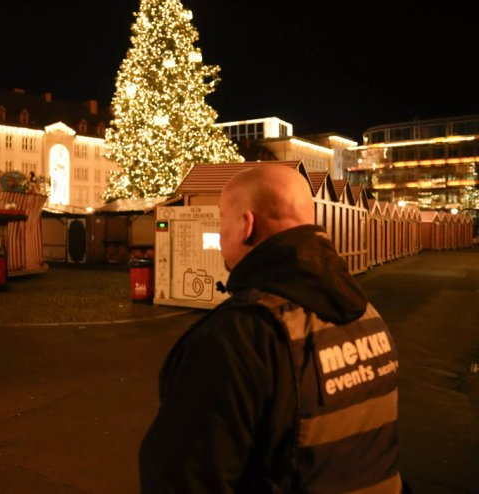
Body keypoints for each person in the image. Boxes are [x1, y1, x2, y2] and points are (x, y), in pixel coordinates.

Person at [139, 165, 402, 494]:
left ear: (246, 225)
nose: (219, 234)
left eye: (222, 219)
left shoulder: (240, 336)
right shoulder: (367, 314)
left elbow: (183, 478)